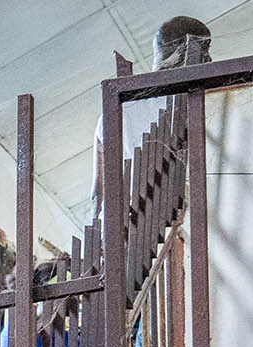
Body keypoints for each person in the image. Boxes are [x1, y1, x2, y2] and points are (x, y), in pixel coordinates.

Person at [90, 17, 211, 225]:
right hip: (166, 228)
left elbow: (98, 194)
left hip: (117, 231)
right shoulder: (197, 104)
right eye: (207, 50)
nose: (210, 60)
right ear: (194, 52)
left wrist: (101, 243)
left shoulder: (112, 114)